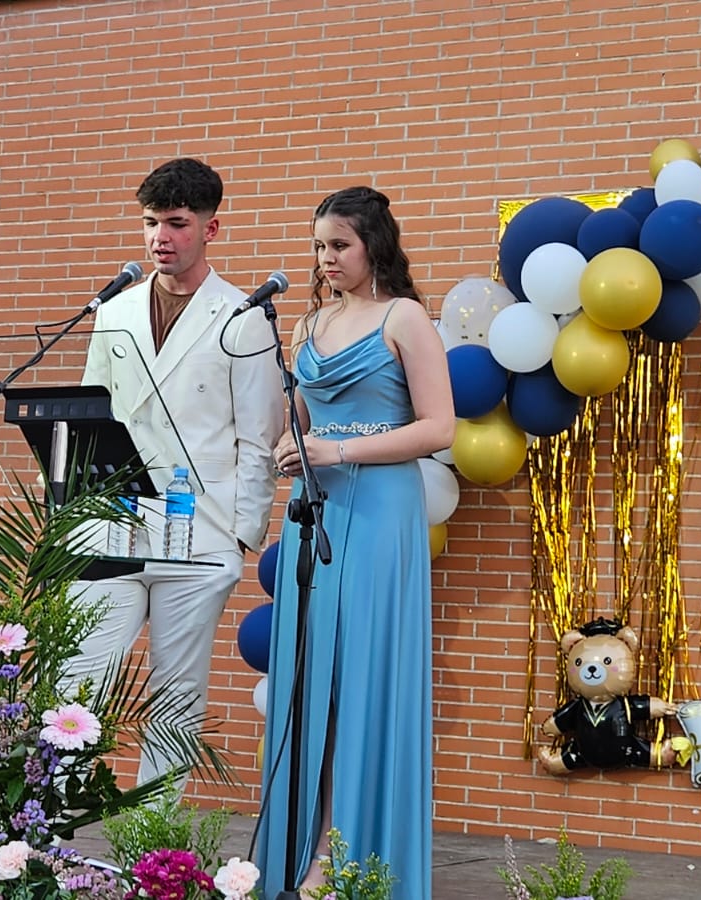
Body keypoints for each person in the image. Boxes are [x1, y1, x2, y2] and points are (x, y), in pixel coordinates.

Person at [256, 186, 454, 899]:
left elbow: (440, 429)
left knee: (360, 680)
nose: (326, 258)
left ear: (374, 244)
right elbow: (298, 419)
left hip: (378, 515)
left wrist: (342, 452)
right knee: (314, 683)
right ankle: (303, 848)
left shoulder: (405, 318)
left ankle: (342, 860)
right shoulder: (309, 323)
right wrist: (290, 443)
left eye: (339, 245)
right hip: (317, 511)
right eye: (318, 246)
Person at [64, 158, 284, 785]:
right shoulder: (114, 312)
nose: (161, 237)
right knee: (77, 678)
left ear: (212, 229)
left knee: (175, 697)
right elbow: (90, 415)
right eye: (151, 222)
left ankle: (151, 849)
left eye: (177, 224)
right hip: (112, 523)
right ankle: (47, 832)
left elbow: (259, 435)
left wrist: (242, 535)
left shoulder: (242, 316)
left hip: (202, 531)